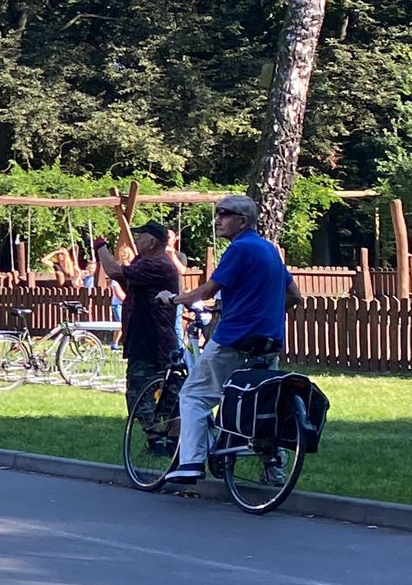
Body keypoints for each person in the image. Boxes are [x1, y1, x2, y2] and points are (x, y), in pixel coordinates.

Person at [156, 194, 300, 485]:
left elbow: (207, 291)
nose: (218, 219)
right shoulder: (270, 250)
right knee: (261, 402)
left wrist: (172, 299)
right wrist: (262, 311)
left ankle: (191, 463)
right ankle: (274, 472)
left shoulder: (240, 248)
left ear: (243, 221)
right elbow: (294, 296)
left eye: (224, 214)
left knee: (194, 395)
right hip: (269, 340)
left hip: (235, 337)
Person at [93, 222, 182, 445]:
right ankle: (164, 438)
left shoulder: (158, 264)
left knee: (143, 390)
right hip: (146, 336)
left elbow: (115, 272)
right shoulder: (144, 263)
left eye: (141, 236)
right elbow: (126, 280)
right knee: (160, 390)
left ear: (152, 242)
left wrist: (101, 247)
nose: (136, 240)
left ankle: (161, 438)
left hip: (153, 339)